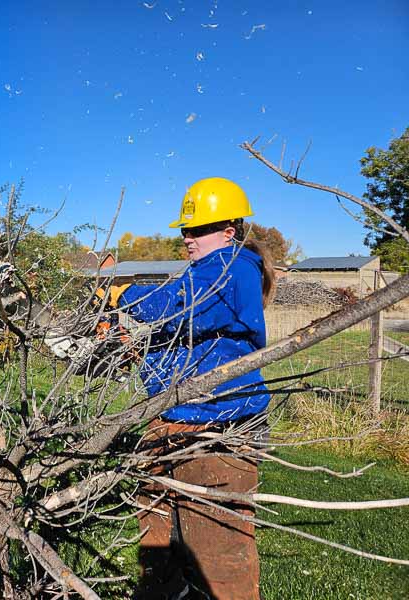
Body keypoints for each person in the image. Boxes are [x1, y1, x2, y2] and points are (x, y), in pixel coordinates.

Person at [114, 177, 275, 599]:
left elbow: (186, 306)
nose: (188, 237)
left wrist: (124, 295)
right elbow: (185, 330)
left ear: (229, 230)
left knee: (218, 555)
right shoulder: (202, 269)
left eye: (198, 228)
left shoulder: (235, 267)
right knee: (157, 542)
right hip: (172, 419)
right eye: (185, 229)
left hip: (218, 424)